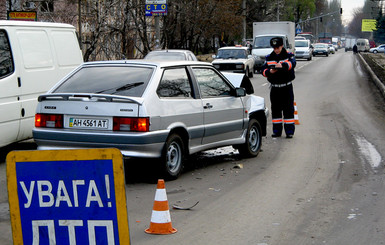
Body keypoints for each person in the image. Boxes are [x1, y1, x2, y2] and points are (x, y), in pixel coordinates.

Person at [261, 37, 296, 138]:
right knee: (275, 110)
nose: (276, 50)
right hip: (275, 88)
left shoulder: (288, 55)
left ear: (282, 46)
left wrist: (283, 65)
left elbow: (293, 64)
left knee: (288, 109)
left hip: (286, 87)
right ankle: (277, 131)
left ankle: (289, 132)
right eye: (274, 48)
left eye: (278, 47)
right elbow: (263, 70)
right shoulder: (269, 57)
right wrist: (269, 72)